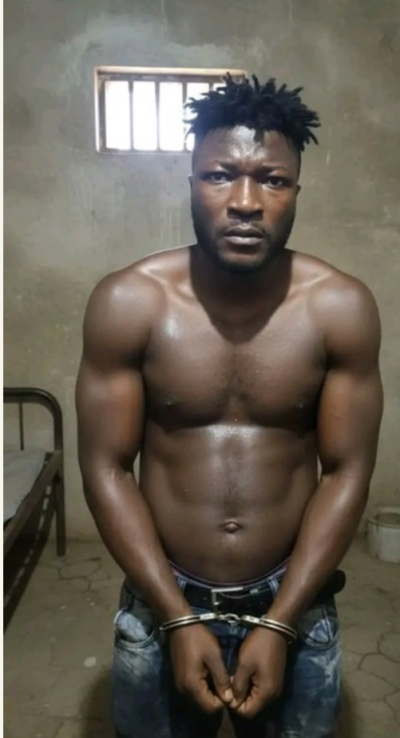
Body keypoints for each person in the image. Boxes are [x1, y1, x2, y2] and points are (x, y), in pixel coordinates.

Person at [75, 75, 383, 738]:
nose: (246, 202)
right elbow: (105, 467)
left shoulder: (340, 307)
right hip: (161, 592)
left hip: (295, 593)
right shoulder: (129, 302)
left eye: (272, 180)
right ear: (191, 183)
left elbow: (347, 471)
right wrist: (175, 616)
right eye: (220, 176)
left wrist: (281, 622)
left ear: (296, 190)